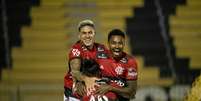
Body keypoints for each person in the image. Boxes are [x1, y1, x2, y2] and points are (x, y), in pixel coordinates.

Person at [64, 19, 109, 100]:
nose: (87, 36)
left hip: (92, 88)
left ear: (94, 33)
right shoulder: (76, 49)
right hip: (73, 91)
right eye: (84, 33)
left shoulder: (102, 48)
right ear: (79, 35)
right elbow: (75, 71)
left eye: (90, 32)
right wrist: (86, 80)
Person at [95, 29, 138, 100]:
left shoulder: (130, 62)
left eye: (120, 43)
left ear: (124, 44)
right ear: (108, 43)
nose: (117, 46)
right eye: (113, 43)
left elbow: (131, 92)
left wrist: (110, 88)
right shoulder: (99, 56)